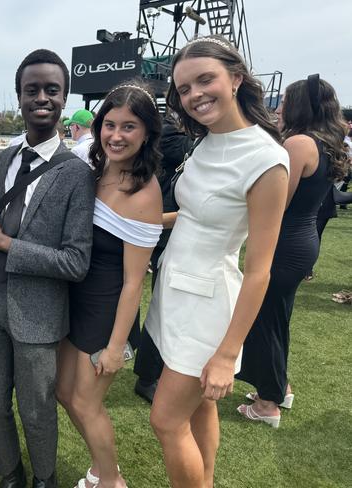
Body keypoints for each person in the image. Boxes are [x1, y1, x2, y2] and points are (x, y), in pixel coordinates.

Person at [144, 36, 289, 488]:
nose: (194, 95)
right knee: (200, 407)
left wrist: (227, 355)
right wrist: (133, 221)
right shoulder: (206, 142)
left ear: (236, 78)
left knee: (166, 421)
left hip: (208, 309)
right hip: (174, 294)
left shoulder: (266, 159)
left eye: (204, 80)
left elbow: (260, 268)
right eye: (184, 89)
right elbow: (192, 216)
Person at [0, 49, 95, 488]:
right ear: (19, 97)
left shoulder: (77, 174)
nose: (41, 97)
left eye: (51, 90)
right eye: (31, 89)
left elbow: (76, 262)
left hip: (37, 312)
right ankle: (10, 474)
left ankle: (45, 479)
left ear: (64, 97)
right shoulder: (6, 160)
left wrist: (5, 242)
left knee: (37, 408)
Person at [56, 83, 163, 488]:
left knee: (85, 403)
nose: (116, 135)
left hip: (106, 310)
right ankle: (103, 470)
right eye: (110, 124)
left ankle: (111, 480)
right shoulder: (95, 171)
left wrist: (117, 347)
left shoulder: (143, 191)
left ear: (147, 133)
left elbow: (135, 282)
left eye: (129, 127)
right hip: (76, 301)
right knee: (64, 393)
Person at [236, 75, 349, 427]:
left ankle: (269, 401)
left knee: (265, 319)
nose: (280, 106)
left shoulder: (299, 143)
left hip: (284, 242)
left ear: (301, 105)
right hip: (302, 240)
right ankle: (278, 386)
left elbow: (276, 203)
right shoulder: (326, 142)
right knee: (277, 317)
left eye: (286, 101)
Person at [133, 113, 192, 403]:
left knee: (164, 307)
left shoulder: (185, 142)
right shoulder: (177, 141)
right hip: (166, 232)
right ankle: (148, 375)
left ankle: (152, 372)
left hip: (171, 232)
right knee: (162, 307)